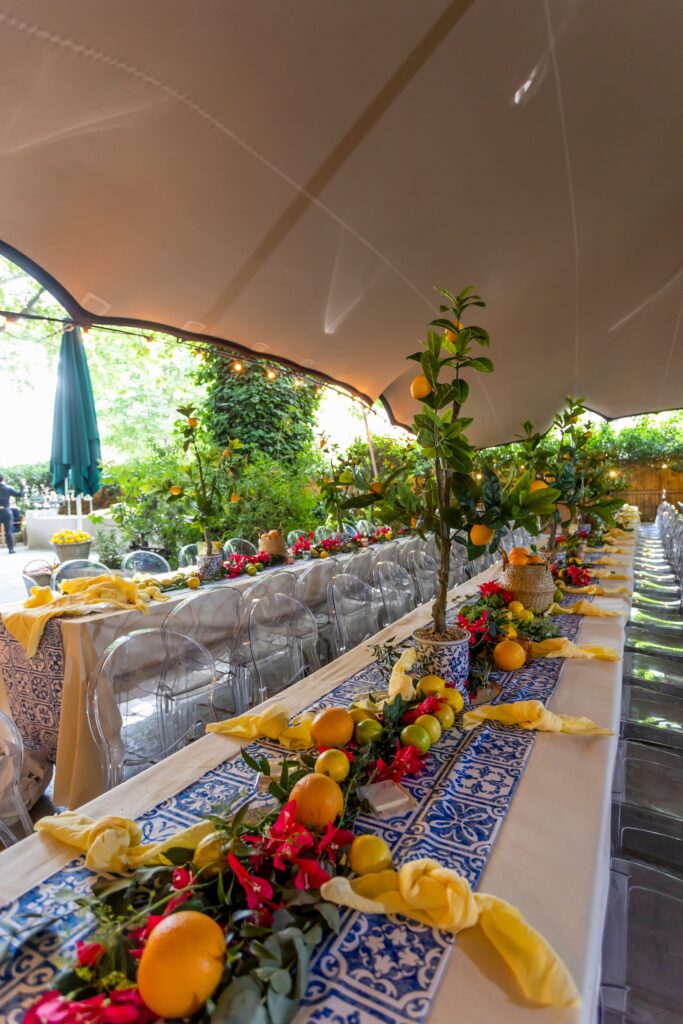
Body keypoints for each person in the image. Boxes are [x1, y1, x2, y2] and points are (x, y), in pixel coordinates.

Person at [0, 474, 22, 554]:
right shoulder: (8, 488)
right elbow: (20, 495)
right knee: (8, 532)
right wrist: (22, 486)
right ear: (3, 479)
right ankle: (11, 549)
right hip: (6, 512)